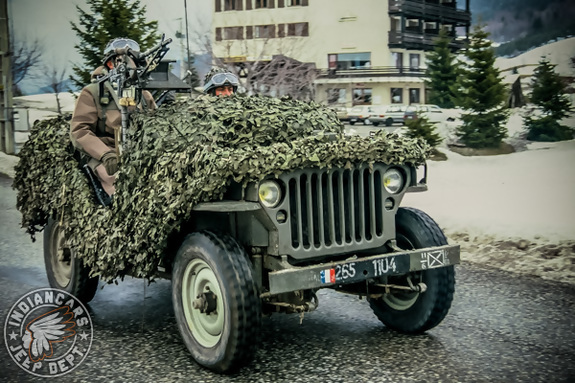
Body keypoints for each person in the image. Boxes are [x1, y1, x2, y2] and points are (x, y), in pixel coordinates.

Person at [70, 38, 156, 197]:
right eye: (118, 60)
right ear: (109, 64)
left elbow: (157, 126)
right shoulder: (93, 92)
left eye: (131, 60)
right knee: (118, 182)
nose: (126, 64)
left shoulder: (143, 94)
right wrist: (105, 154)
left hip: (139, 153)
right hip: (105, 153)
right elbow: (80, 130)